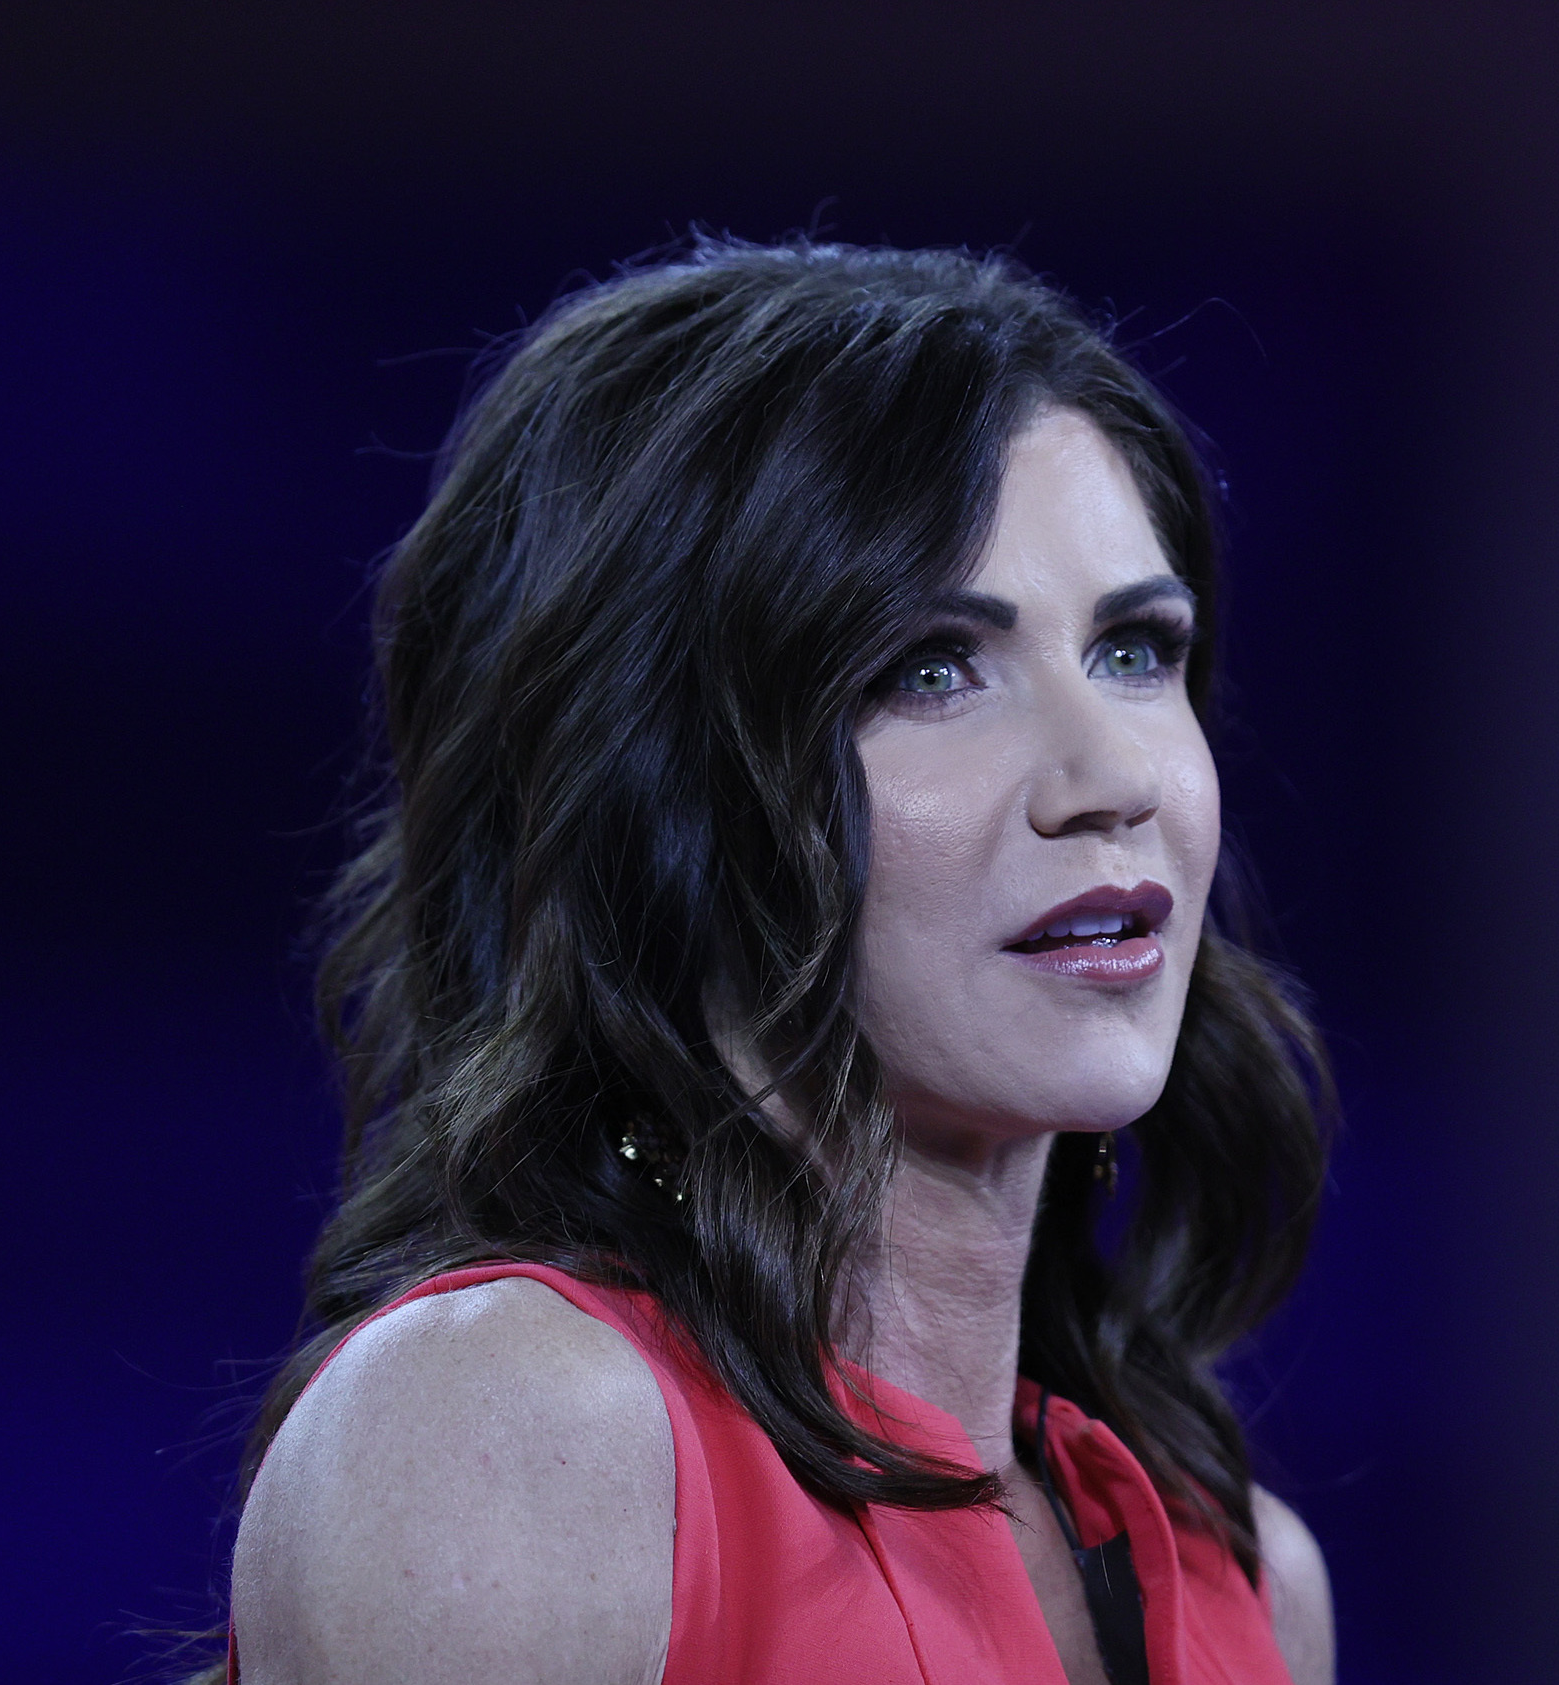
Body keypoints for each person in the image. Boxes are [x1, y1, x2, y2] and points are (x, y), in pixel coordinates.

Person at [221, 240, 1337, 1685]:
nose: (1107, 776)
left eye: (1135, 649)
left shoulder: (1248, 1576)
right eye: (931, 667)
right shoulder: (509, 1443)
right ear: (662, 789)